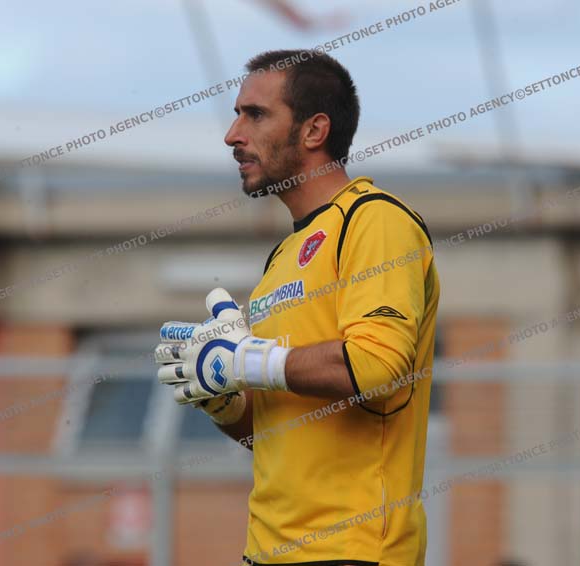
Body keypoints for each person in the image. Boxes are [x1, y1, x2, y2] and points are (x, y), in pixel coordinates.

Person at [155, 49, 440, 566]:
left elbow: (376, 366)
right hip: (267, 552)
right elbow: (274, 434)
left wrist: (246, 360)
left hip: (351, 551)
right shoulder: (283, 256)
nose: (233, 135)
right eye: (237, 115)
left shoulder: (375, 220)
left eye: (255, 115)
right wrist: (224, 402)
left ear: (314, 131)